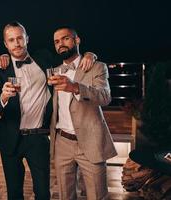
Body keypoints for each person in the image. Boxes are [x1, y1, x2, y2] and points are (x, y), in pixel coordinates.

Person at [0, 21, 95, 200]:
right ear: (6, 44)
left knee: (43, 192)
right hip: (10, 138)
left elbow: (69, 57)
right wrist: (3, 97)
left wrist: (90, 54)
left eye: (20, 38)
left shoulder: (44, 58)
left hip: (39, 137)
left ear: (27, 39)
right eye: (11, 40)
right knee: (14, 193)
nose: (17, 43)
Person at [48, 26, 117, 200]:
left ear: (77, 40)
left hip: (91, 141)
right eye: (57, 41)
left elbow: (105, 97)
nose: (61, 44)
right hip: (62, 142)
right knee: (65, 195)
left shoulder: (96, 67)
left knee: (97, 195)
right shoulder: (54, 71)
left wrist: (76, 88)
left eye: (65, 39)